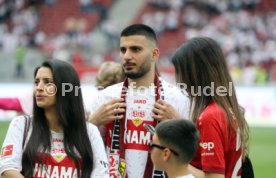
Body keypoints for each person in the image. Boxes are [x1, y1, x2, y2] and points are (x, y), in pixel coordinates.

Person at [88, 24, 190, 178]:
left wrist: (179, 125)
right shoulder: (105, 97)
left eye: (135, 49)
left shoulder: (176, 98)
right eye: (123, 50)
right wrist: (93, 122)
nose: (127, 56)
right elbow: (78, 148)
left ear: (154, 54)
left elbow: (193, 156)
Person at [153, 37, 250, 178]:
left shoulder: (210, 116)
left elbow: (213, 177)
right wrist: (180, 124)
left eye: (181, 72)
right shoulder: (228, 109)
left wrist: (177, 161)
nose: (180, 81)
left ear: (195, 74)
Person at [0, 59, 109, 178]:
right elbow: (8, 169)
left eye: (48, 82)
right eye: (37, 82)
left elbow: (101, 174)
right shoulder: (21, 125)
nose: (39, 88)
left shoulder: (90, 132)